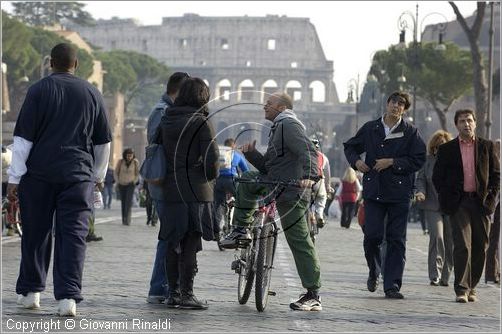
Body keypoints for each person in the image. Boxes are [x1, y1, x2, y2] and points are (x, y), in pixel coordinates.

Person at [6, 43, 111, 316]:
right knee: (74, 236)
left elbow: (23, 140)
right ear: (76, 65)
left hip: (39, 175)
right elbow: (104, 144)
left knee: (36, 233)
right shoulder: (93, 93)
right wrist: (97, 177)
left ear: (50, 63)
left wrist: (14, 178)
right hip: (78, 176)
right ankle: (68, 299)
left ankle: (31, 293)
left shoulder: (38, 90)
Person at [221, 92, 322, 311]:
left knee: (299, 240)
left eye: (269, 103)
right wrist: (252, 155)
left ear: (282, 107)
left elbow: (309, 151)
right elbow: (270, 166)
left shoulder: (289, 125)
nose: (264, 106)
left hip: (292, 189)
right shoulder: (278, 127)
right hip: (276, 182)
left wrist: (310, 177)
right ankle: (241, 229)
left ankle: (313, 294)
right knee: (247, 180)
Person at [343, 91, 426, 299]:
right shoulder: (371, 128)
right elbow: (350, 147)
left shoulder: (411, 132)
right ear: (387, 104)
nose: (396, 106)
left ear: (404, 110)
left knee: (396, 239)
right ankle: (374, 270)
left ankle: (392, 286)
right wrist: (357, 162)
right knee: (372, 236)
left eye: (401, 104)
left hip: (399, 193)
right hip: (374, 191)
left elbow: (418, 159)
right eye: (393, 102)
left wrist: (392, 162)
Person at [159, 77, 219, 309]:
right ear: (202, 96)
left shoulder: (167, 119)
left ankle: (172, 293)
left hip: (171, 188)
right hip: (195, 189)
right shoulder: (201, 121)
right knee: (190, 243)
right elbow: (212, 158)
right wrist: (208, 176)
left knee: (172, 242)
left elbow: (157, 150)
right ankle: (187, 294)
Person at [433, 109, 500, 303]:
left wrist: (491, 200)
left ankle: (472, 286)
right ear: (456, 125)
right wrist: (446, 198)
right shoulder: (447, 149)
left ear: (475, 123)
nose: (466, 124)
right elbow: (438, 177)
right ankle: (461, 288)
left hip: (481, 203)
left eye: (469, 120)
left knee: (480, 246)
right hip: (459, 203)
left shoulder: (487, 147)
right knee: (462, 244)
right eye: (462, 121)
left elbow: (496, 176)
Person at [145, 72, 189, 304]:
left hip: (166, 181)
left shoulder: (165, 109)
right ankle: (158, 288)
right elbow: (156, 145)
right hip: (163, 181)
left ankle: (163, 287)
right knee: (168, 236)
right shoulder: (163, 111)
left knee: (171, 235)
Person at [415, 130, 454, 287]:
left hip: (451, 206)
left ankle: (446, 276)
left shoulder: (455, 163)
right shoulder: (428, 161)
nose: (440, 149)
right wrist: (421, 192)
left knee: (450, 241)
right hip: (432, 205)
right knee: (437, 237)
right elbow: (420, 179)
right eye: (437, 147)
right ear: (433, 148)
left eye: (443, 146)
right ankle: (434, 275)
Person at [213, 137, 249, 240]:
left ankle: (216, 229)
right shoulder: (236, 155)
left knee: (218, 204)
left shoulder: (219, 155)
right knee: (240, 201)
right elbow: (246, 171)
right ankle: (239, 227)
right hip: (231, 181)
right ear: (234, 146)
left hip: (218, 181)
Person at [485, 139, 500, 285]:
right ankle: (491, 273)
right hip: (493, 205)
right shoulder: (493, 162)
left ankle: (494, 272)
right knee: (493, 240)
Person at [311, 138, 333, 229]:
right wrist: (328, 187)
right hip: (319, 182)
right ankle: (319, 214)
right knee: (321, 198)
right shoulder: (324, 157)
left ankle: (308, 216)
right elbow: (327, 174)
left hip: (305, 183)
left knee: (304, 202)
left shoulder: (303, 155)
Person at [114, 148, 139, 225]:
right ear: (125, 155)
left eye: (131, 156)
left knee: (128, 202)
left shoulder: (135, 162)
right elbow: (116, 172)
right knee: (123, 202)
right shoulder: (120, 162)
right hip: (121, 184)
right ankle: (123, 219)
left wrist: (134, 181)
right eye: (128, 155)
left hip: (130, 184)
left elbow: (137, 173)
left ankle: (127, 219)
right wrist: (117, 182)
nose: (129, 157)